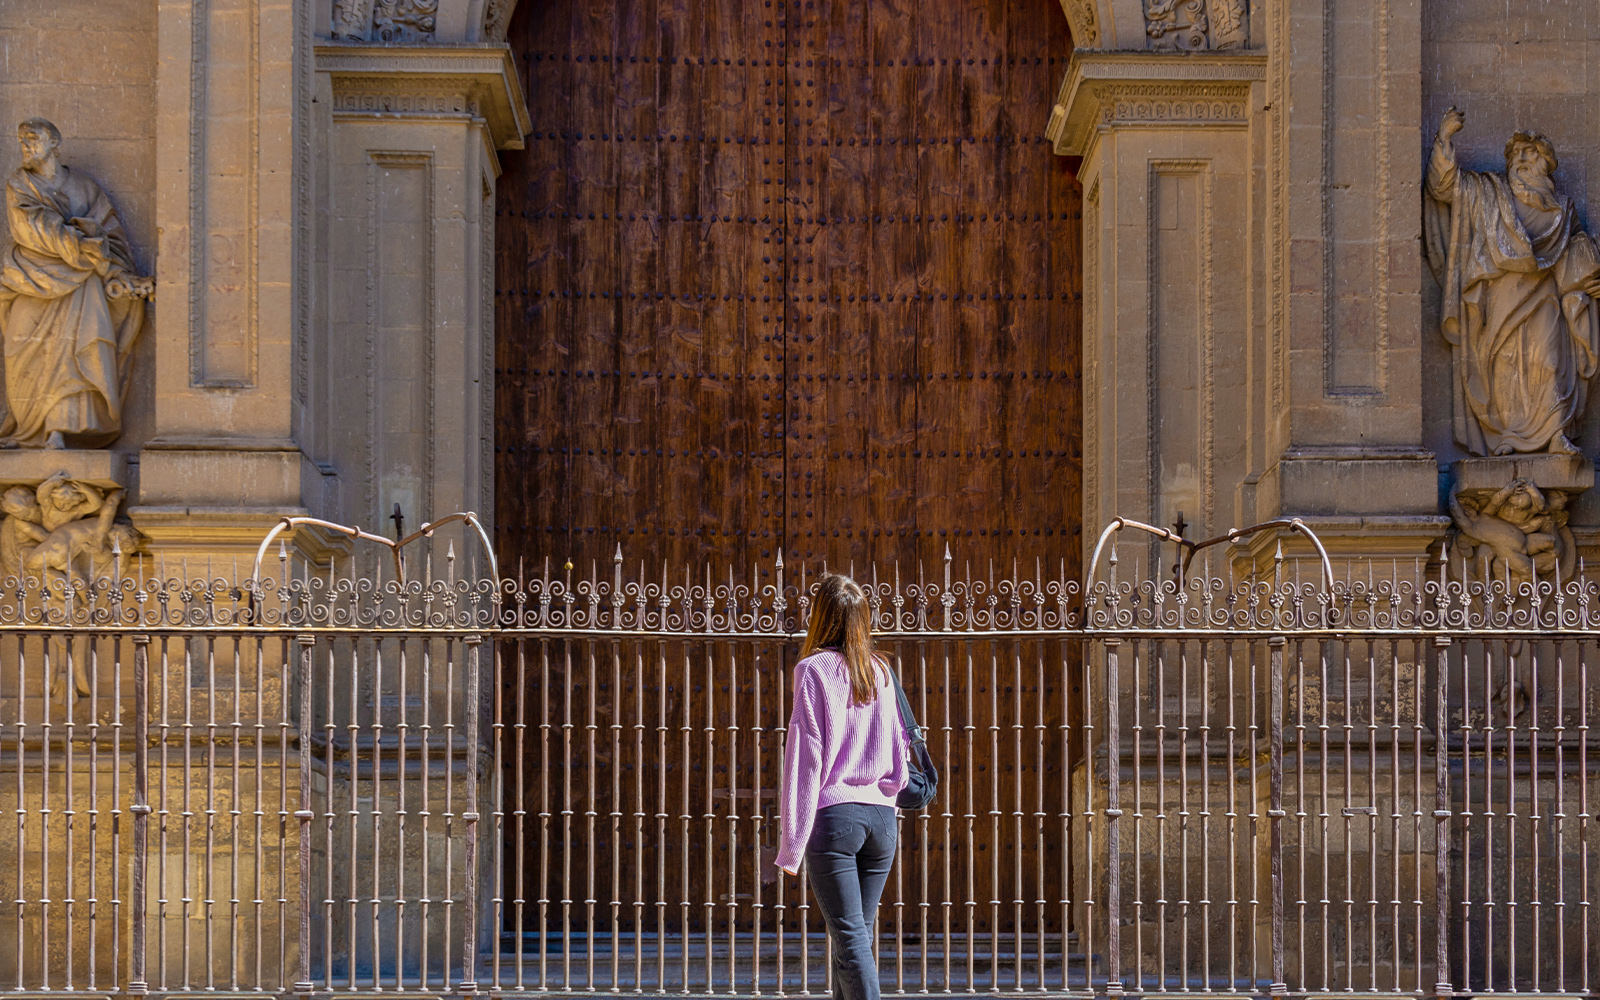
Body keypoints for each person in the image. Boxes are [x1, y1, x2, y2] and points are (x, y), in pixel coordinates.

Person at [1423, 108, 1600, 457]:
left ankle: (1555, 435)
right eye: (1516, 154)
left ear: (1545, 164)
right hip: (1500, 301)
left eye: (1529, 153)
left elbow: (1578, 254)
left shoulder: (1563, 211)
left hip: (1544, 299)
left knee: (1549, 361)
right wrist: (1444, 139)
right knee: (1506, 368)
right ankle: (1508, 435)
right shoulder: (1490, 193)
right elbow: (1446, 188)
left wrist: (1588, 281)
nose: (1520, 159)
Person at [775, 573, 909, 1000]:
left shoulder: (812, 669)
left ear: (821, 618)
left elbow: (806, 757)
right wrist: (888, 793)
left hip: (836, 821)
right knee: (852, 937)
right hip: (883, 821)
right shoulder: (881, 672)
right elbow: (898, 748)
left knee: (850, 940)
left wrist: (792, 844)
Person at [0, 118, 153, 449]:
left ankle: (60, 429)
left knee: (76, 350)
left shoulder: (85, 189)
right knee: (22, 349)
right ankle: (28, 428)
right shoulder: (19, 185)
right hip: (32, 278)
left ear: (55, 143)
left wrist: (119, 276)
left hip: (83, 287)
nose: (25, 145)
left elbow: (110, 237)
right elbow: (31, 226)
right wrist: (79, 243)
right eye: (22, 140)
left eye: (33, 139)